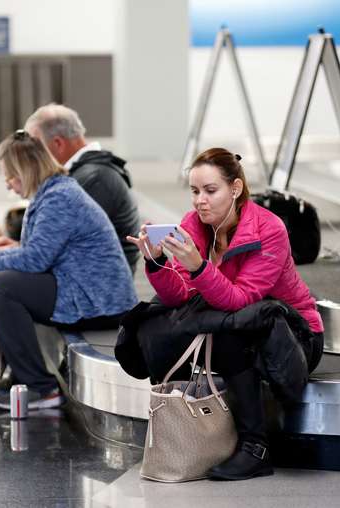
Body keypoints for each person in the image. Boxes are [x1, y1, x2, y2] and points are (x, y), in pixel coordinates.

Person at [126, 148, 324, 481]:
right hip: (236, 326)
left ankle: (255, 448)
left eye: (210, 190)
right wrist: (156, 262)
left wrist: (198, 267)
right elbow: (178, 295)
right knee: (163, 320)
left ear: (235, 188)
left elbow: (242, 299)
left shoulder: (269, 230)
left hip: (293, 337)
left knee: (230, 332)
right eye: (194, 191)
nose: (200, 201)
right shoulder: (194, 225)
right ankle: (191, 432)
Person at [0, 129, 138, 409]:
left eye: (10, 176)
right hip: (86, 290)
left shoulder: (59, 198)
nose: (9, 185)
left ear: (26, 170)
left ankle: (40, 386)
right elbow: (40, 251)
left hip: (98, 301)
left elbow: (35, 260)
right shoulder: (54, 191)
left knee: (2, 287)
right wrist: (4, 249)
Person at [0, 104, 141, 272]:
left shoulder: (94, 179)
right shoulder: (85, 175)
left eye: (34, 147)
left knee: (1, 281)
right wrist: (19, 248)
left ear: (58, 143)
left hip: (96, 284)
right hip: (83, 273)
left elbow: (62, 250)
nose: (28, 155)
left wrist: (14, 251)